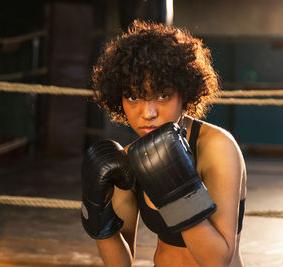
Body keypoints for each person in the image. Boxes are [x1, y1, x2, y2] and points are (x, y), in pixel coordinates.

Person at [81, 20, 247, 267]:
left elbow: (217, 261)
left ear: (185, 93)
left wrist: (178, 191)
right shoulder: (127, 162)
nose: (148, 112)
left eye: (163, 95)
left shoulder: (217, 148)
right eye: (133, 96)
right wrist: (99, 221)